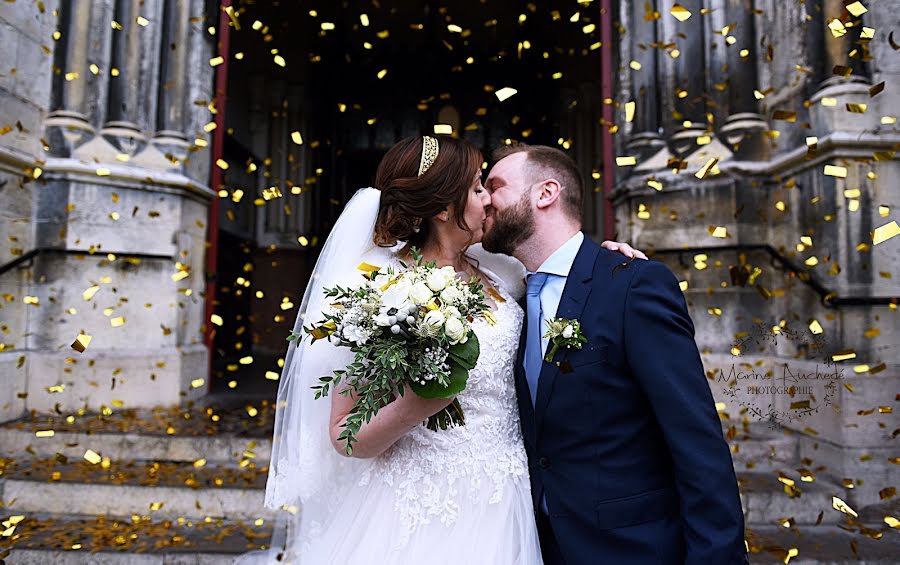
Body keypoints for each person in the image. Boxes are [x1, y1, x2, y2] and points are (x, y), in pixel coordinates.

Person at [238, 135, 643, 564]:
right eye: (477, 188)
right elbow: (344, 436)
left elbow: (568, 277)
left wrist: (606, 263)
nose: (489, 199)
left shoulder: (504, 270)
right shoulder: (378, 293)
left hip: (509, 494)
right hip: (417, 504)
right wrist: (413, 407)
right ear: (445, 207)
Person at [482, 144, 749, 565]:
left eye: (494, 185)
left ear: (545, 193)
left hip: (631, 548)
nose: (483, 198)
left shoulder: (632, 286)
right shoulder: (507, 300)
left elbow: (695, 439)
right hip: (539, 545)